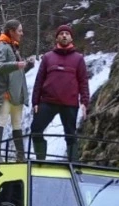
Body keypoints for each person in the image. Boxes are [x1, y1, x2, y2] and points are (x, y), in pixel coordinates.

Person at [30, 24, 90, 161]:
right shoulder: (47, 57)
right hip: (47, 101)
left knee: (70, 134)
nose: (64, 35)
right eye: (61, 33)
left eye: (67, 34)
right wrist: (35, 101)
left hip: (69, 103)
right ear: (57, 38)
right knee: (35, 129)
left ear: (71, 38)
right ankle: (40, 159)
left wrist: (85, 102)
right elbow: (39, 80)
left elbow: (83, 82)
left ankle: (73, 163)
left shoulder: (78, 59)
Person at [0, 19, 35, 163]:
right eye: (20, 31)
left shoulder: (13, 47)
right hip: (6, 92)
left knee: (17, 124)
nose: (22, 34)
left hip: (17, 93)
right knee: (1, 121)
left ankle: (20, 156)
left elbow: (17, 71)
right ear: (11, 31)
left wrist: (28, 65)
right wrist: (17, 64)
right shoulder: (2, 46)